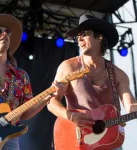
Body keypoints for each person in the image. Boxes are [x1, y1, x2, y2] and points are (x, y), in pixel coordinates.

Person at [47, 14, 137, 150]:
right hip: (75, 140)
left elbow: (131, 105)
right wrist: (70, 116)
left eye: (84, 34)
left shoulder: (118, 74)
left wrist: (133, 109)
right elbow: (51, 102)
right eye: (77, 37)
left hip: (108, 141)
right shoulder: (69, 67)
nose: (79, 39)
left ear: (99, 37)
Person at [0, 14, 50, 150]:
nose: (4, 34)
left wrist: (48, 97)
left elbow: (26, 112)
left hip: (10, 137)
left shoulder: (21, 76)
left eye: (8, 32)